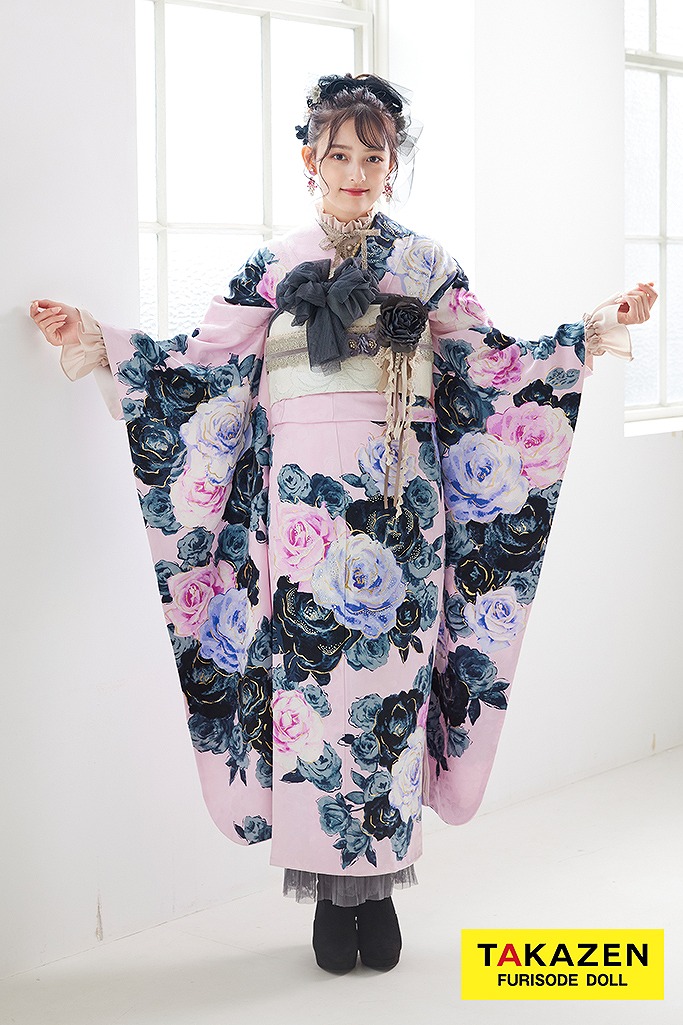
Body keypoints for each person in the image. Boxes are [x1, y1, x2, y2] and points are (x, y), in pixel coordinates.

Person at [29, 72, 657, 975]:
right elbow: (199, 367)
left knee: (390, 698)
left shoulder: (425, 265)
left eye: (373, 155)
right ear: (309, 161)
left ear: (392, 164)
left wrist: (591, 329)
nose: (356, 171)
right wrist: (99, 340)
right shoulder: (272, 266)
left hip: (404, 516)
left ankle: (385, 887)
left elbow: (497, 366)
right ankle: (331, 900)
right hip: (304, 523)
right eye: (339, 155)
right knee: (315, 701)